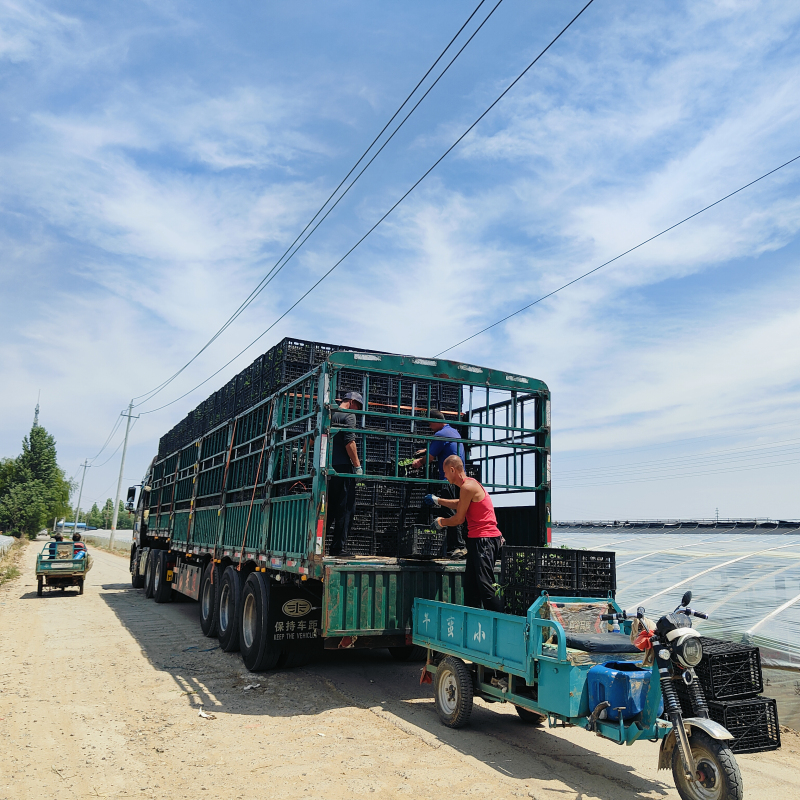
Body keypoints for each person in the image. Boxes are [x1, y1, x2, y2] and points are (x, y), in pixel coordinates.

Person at [426, 454, 503, 611]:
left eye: (445, 472)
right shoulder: (468, 485)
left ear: (453, 469)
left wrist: (442, 522)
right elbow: (461, 504)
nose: (444, 475)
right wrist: (437, 500)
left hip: (485, 539)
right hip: (478, 540)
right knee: (471, 586)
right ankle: (473, 621)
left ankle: (501, 621)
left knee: (485, 585)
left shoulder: (467, 487)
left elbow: (459, 519)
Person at [412, 409, 466, 558]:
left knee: (450, 511)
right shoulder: (453, 432)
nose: (430, 427)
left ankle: (459, 547)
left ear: (437, 422)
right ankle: (457, 546)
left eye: (430, 424)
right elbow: (444, 447)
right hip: (461, 479)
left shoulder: (440, 434)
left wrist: (419, 462)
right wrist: (425, 449)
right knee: (458, 509)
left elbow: (429, 458)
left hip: (448, 479)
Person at [327, 392, 363, 558]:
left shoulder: (329, 413)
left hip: (328, 467)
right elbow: (350, 442)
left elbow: (312, 439)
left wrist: (305, 452)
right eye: (358, 406)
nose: (358, 410)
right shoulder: (348, 416)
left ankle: (316, 545)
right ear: (352, 402)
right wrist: (357, 466)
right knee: (346, 509)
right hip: (343, 469)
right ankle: (337, 548)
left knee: (329, 508)